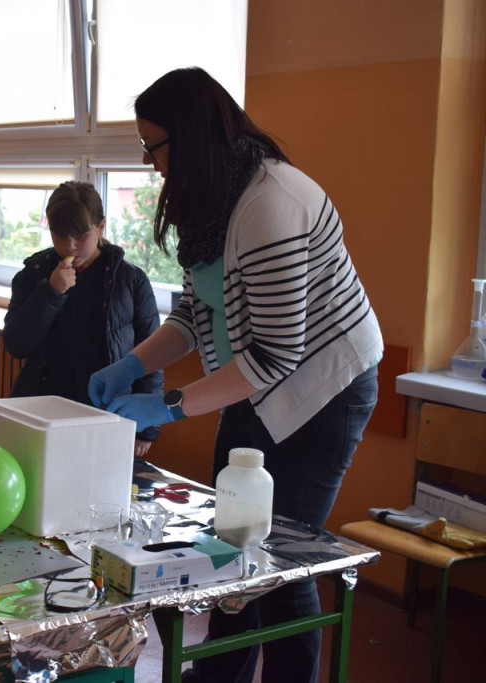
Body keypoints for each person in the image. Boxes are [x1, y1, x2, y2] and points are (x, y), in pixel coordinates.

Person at [88, 67, 382, 683]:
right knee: (229, 543)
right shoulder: (212, 199)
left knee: (276, 557)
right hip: (256, 380)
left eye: (152, 145)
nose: (147, 162)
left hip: (323, 391)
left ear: (189, 138)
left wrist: (169, 405)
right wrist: (134, 363)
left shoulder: (273, 203)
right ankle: (218, 675)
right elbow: (197, 314)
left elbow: (277, 356)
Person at [3, 181, 163, 457]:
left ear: (101, 227)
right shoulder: (34, 275)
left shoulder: (131, 280)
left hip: (107, 412)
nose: (70, 246)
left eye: (81, 235)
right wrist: (51, 293)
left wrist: (147, 427)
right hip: (43, 409)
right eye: (60, 235)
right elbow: (17, 344)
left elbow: (152, 354)